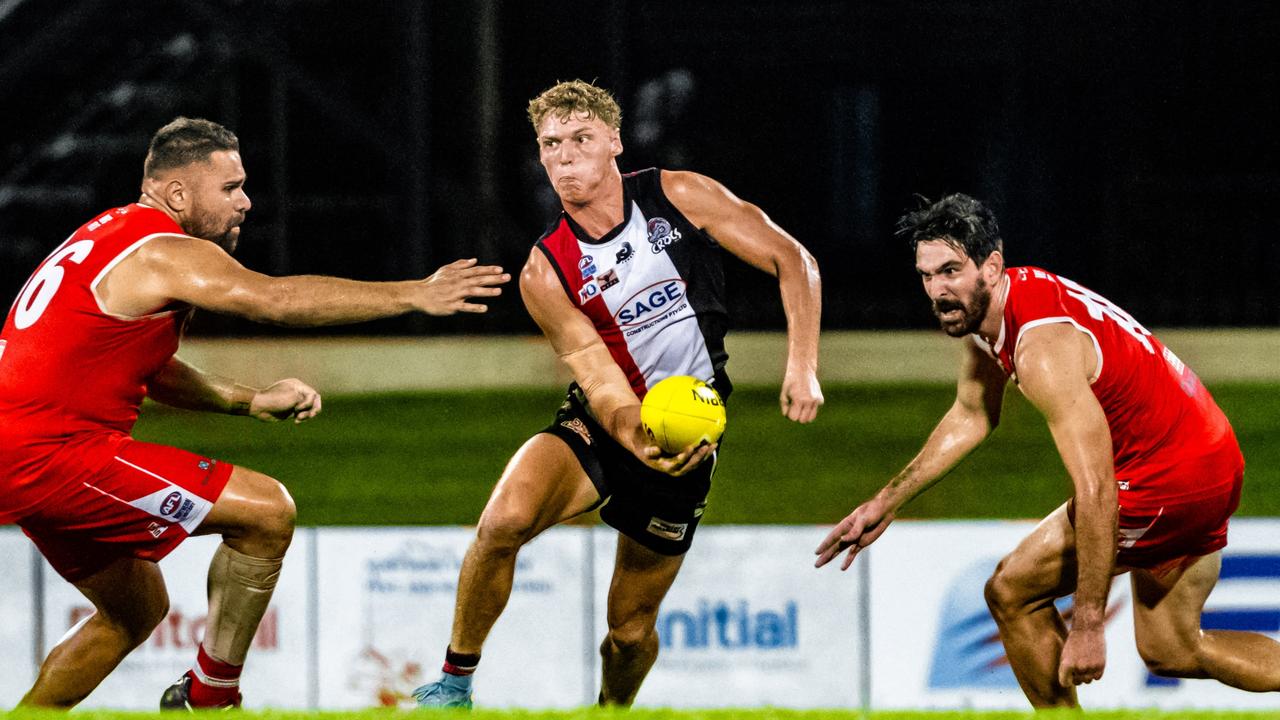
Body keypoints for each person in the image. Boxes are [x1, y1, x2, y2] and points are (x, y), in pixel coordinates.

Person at [0, 117, 509, 710]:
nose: (246, 201)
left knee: (135, 612)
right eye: (231, 187)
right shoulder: (164, 248)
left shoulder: (109, 235)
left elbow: (146, 368)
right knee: (268, 513)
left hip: (25, 449)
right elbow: (273, 299)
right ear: (178, 194)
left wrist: (247, 399)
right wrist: (413, 294)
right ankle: (210, 697)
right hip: (56, 453)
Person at [413, 79, 824, 709]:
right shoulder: (544, 271)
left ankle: (612, 709)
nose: (566, 155)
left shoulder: (677, 195)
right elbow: (597, 376)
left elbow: (793, 260)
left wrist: (802, 365)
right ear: (541, 158)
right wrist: (632, 431)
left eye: (581, 138)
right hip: (605, 423)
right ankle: (453, 685)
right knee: (502, 522)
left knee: (628, 633)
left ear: (614, 143)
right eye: (552, 144)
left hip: (688, 436)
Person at [814, 193, 1280, 707]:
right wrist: (885, 501)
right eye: (926, 275)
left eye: (950, 271)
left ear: (991, 266)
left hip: (1168, 478)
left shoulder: (1042, 350)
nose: (937, 291)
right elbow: (973, 414)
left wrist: (1086, 626)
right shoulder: (1003, 306)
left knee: (1011, 592)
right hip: (1208, 458)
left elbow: (1098, 488)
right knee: (1173, 649)